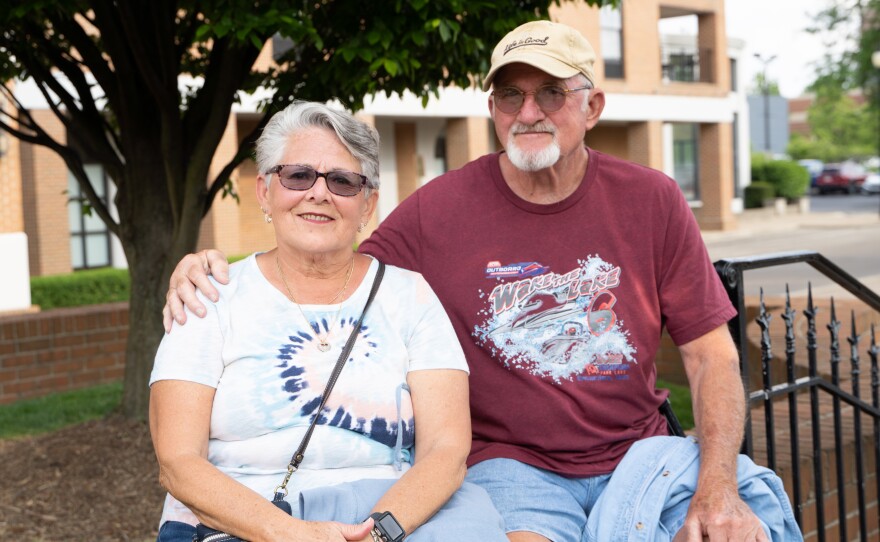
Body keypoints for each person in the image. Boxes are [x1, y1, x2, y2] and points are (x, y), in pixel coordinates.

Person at [164, 21, 798, 542]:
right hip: (511, 470)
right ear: (491, 107)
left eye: (551, 92)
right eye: (509, 96)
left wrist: (717, 489)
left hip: (641, 452)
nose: (529, 112)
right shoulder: (439, 209)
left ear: (592, 106)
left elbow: (711, 355)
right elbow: (327, 252)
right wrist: (207, 266)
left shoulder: (652, 199)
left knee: (748, 527)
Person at [150, 101, 507, 542]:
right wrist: (289, 534)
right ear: (265, 191)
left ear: (368, 204)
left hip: (391, 516)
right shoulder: (209, 296)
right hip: (243, 518)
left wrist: (377, 534)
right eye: (298, 175)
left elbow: (446, 449)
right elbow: (178, 462)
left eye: (342, 181)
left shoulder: (410, 296)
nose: (318, 193)